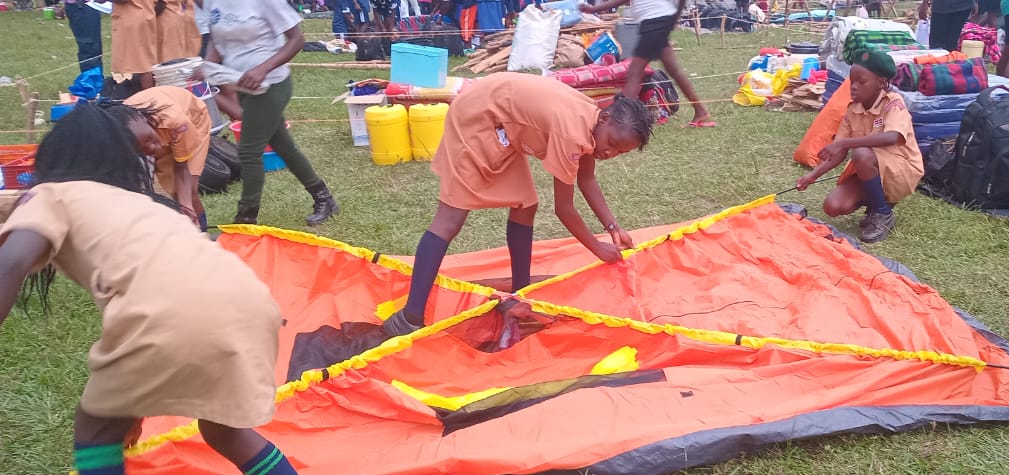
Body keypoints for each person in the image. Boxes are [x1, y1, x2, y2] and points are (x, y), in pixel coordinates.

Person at [0, 105, 370, 475]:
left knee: (95, 434)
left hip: (170, 314)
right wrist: (128, 409)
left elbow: (11, 262)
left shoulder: (49, 195)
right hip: (248, 303)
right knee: (224, 429)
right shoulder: (144, 204)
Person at [381, 73, 653, 336]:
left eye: (620, 152)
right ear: (605, 118)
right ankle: (409, 317)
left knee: (525, 204)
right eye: (612, 144)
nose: (610, 153)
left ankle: (519, 298)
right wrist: (597, 248)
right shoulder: (574, 131)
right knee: (450, 218)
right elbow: (564, 209)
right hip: (478, 117)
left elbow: (587, 178)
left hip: (503, 124)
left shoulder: (592, 121)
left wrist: (613, 227)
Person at [199, 0, 340, 226]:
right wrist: (207, 66)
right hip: (241, 84)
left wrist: (261, 69)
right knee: (284, 147)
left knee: (248, 151)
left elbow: (297, 40)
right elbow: (217, 40)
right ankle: (324, 198)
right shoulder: (213, 3)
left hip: (271, 84)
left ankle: (246, 217)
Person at [795, 49, 923, 244]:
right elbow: (838, 152)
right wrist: (811, 176)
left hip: (901, 171)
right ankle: (878, 204)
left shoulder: (893, 103)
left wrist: (845, 142)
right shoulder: (853, 109)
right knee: (833, 206)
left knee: (861, 154)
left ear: (881, 83)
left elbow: (891, 137)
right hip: (872, 168)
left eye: (861, 82)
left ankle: (882, 214)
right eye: (852, 81)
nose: (853, 87)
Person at [580, 0, 715, 128]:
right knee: (674, 71)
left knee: (634, 72)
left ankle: (623, 119)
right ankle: (700, 111)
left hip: (654, 22)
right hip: (658, 21)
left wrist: (593, 9)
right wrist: (675, 16)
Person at [105, 89, 211, 230]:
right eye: (145, 148)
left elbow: (182, 168)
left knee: (189, 192)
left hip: (192, 121)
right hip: (157, 129)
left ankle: (202, 234)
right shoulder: (123, 130)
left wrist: (186, 206)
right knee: (173, 190)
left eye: (150, 140)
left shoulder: (177, 123)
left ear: (145, 122)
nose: (155, 148)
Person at [108, 0, 160, 89]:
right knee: (146, 62)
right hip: (145, 14)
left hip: (133, 18)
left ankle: (149, 97)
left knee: (143, 65)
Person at [64, 0, 104, 72]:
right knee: (90, 49)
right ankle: (92, 81)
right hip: (82, 6)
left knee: (94, 49)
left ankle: (95, 79)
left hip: (86, 6)